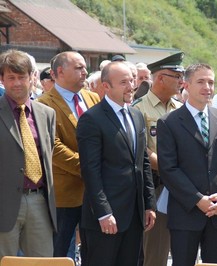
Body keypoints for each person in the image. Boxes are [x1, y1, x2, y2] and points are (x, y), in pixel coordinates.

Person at [157, 63, 217, 266]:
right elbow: (169, 169)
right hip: (185, 214)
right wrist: (198, 200)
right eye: (201, 82)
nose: (208, 87)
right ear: (185, 85)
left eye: (211, 82)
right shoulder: (169, 122)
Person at [76, 61, 156, 266]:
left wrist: (148, 204)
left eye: (132, 80)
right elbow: (90, 171)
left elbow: (143, 163)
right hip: (106, 218)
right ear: (106, 87)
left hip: (135, 216)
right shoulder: (91, 119)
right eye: (123, 82)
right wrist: (103, 212)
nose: (131, 86)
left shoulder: (137, 116)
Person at [37, 51, 100, 258]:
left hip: (94, 192)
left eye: (85, 67)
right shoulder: (44, 104)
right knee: (61, 250)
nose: (85, 72)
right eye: (79, 68)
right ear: (59, 72)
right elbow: (53, 147)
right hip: (65, 194)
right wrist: (89, 167)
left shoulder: (93, 97)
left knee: (94, 250)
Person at [0, 49, 57, 259]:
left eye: (22, 77)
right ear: (2, 79)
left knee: (43, 261)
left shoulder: (47, 114)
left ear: (32, 77)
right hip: (3, 204)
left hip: (39, 202)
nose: (17, 83)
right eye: (11, 77)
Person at [132, 52, 184, 266]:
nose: (182, 81)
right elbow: (140, 149)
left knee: (185, 250)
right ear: (161, 78)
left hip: (183, 188)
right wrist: (170, 169)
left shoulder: (180, 108)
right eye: (177, 76)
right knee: (155, 252)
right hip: (156, 187)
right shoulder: (138, 108)